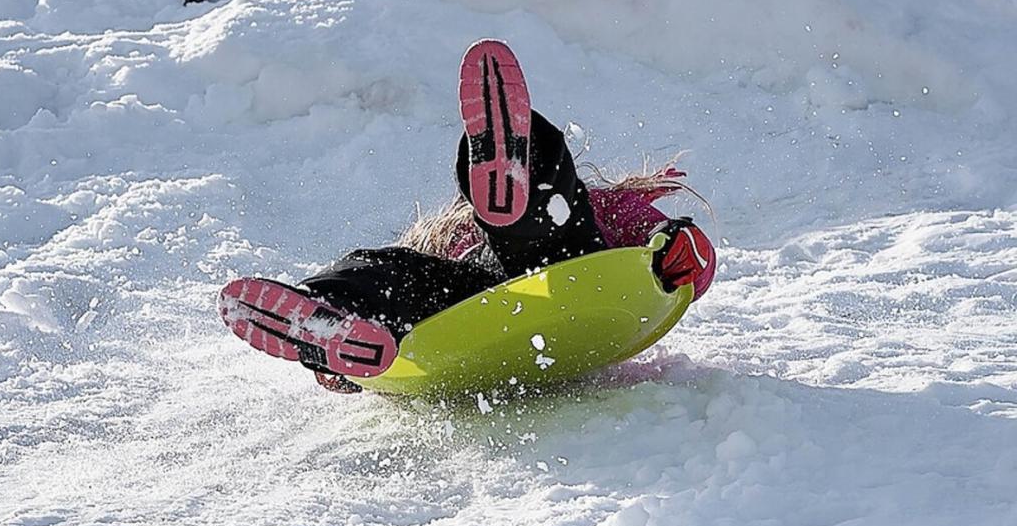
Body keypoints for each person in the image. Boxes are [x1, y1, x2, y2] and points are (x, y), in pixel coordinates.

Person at [220, 40, 715, 393]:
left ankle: (521, 171)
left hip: (572, 271)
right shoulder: (450, 242)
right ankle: (332, 318)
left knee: (536, 231)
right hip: (477, 307)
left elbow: (676, 253)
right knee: (393, 271)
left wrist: (682, 256)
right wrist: (343, 367)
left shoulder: (608, 213)